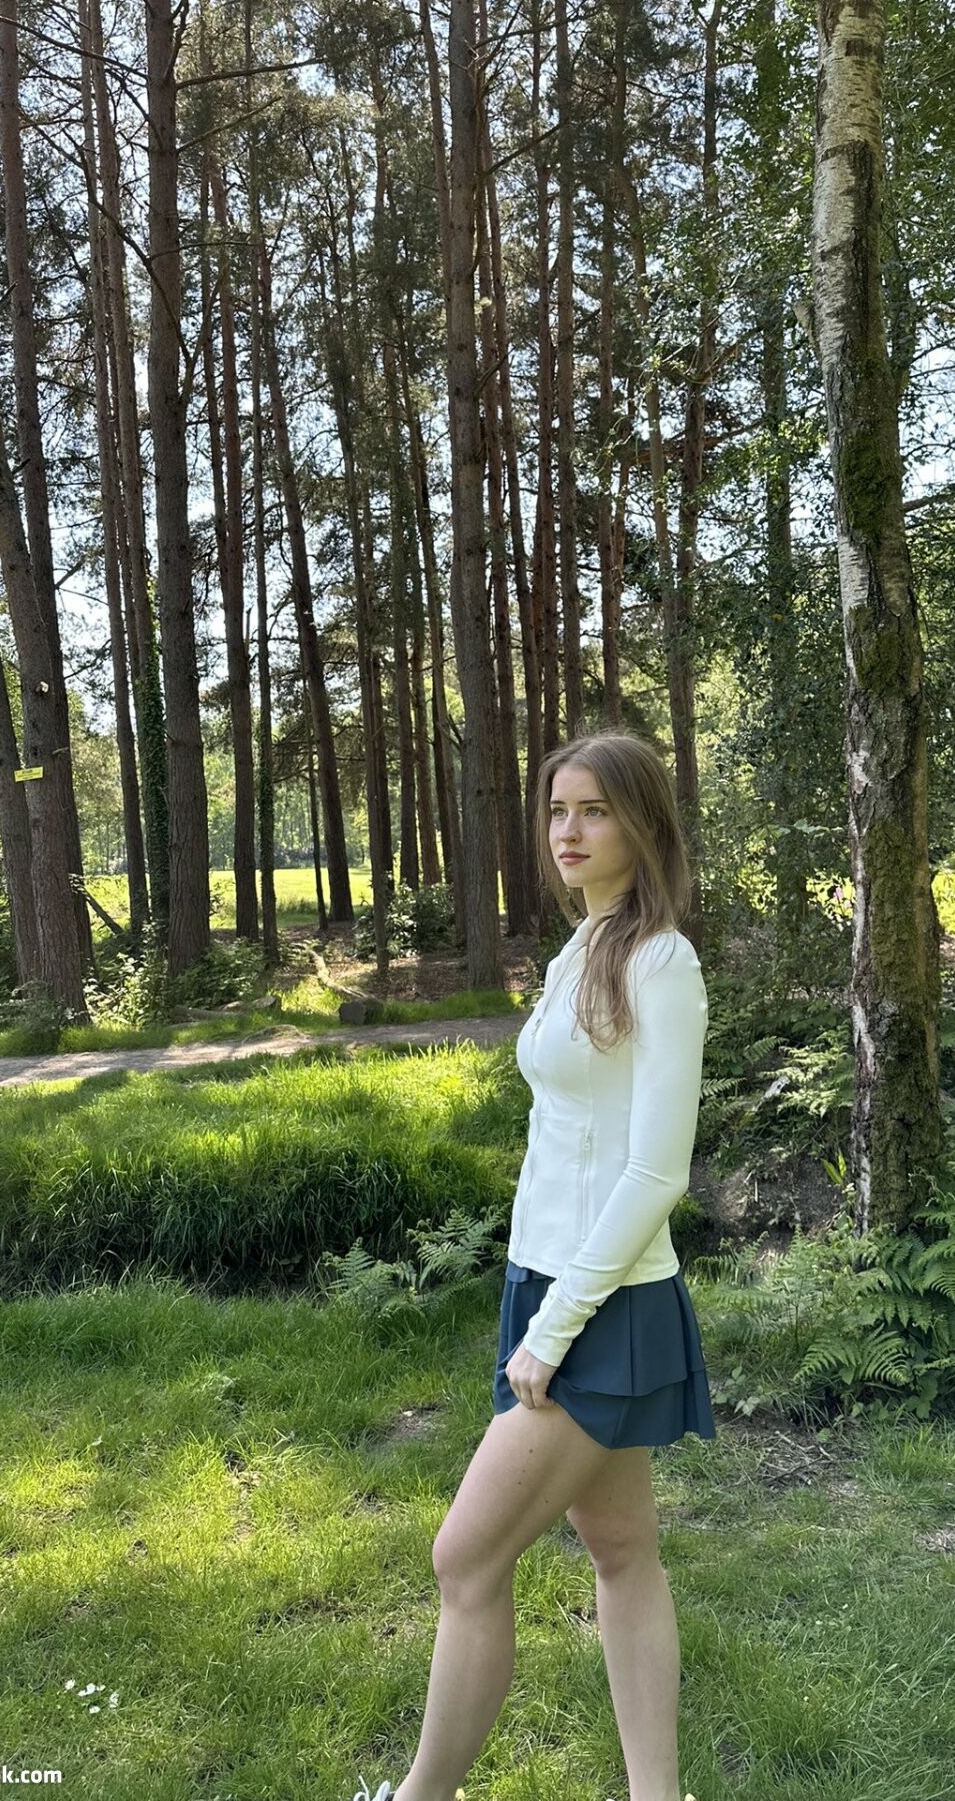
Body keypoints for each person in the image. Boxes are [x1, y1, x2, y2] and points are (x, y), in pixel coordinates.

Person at [353, 729, 711, 1801]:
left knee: (465, 1558)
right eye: (558, 809)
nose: (569, 830)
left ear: (643, 824)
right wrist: (533, 1297)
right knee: (622, 1552)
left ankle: (420, 1798)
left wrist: (553, 1331)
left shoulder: (660, 962)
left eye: (595, 810)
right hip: (551, 1280)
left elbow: (656, 1172)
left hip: (604, 1306)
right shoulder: (581, 947)